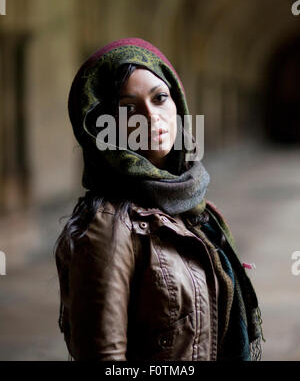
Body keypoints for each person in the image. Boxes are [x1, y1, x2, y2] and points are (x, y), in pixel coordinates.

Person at [54, 37, 264, 361]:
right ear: (102, 127)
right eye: (128, 108)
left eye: (159, 98)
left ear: (177, 102)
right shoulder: (110, 228)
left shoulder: (189, 204)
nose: (150, 118)